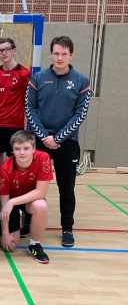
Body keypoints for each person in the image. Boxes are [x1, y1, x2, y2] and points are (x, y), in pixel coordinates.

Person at [25, 36, 91, 247]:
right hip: (40, 140)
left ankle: (67, 228)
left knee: (66, 187)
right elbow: (30, 109)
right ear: (51, 54)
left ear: (71, 55)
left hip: (67, 142)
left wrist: (58, 137)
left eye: (64, 53)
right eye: (56, 53)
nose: (60, 57)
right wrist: (44, 136)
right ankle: (27, 222)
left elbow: (80, 114)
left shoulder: (81, 81)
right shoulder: (37, 78)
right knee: (31, 186)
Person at [0, 130, 52, 264]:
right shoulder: (4, 169)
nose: (22, 153)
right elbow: (4, 205)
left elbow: (41, 193)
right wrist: (5, 234)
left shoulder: (43, 158)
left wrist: (13, 202)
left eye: (26, 148)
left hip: (29, 200)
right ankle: (9, 227)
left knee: (41, 206)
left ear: (34, 148)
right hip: (10, 203)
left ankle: (34, 244)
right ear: (12, 150)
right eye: (17, 149)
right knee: (10, 245)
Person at [0, 38, 31, 167]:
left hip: (14, 124)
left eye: (7, 49)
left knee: (16, 156)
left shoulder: (24, 74)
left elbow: (28, 99)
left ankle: (13, 184)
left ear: (14, 51)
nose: (4, 53)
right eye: (0, 50)